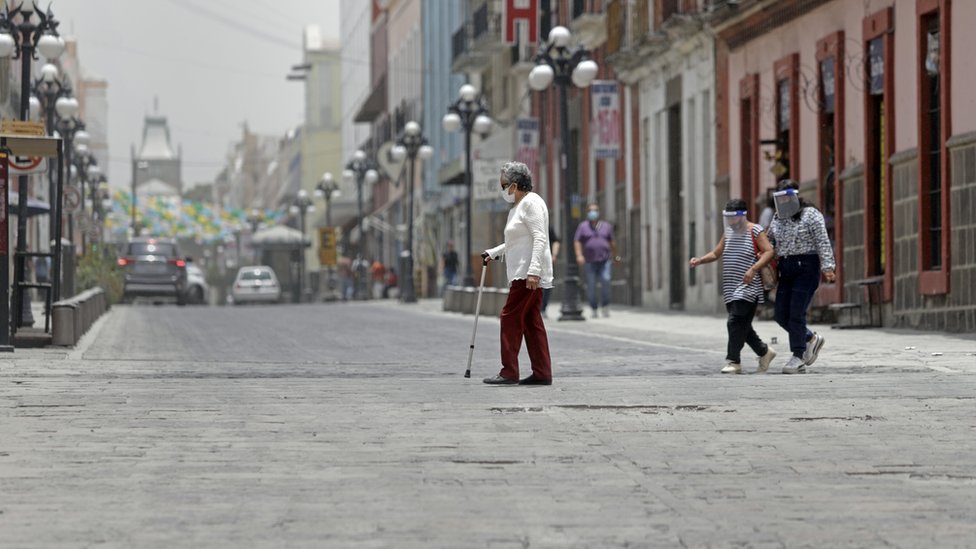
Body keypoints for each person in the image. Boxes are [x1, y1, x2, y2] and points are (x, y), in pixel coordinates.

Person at [482, 161, 554, 386]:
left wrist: (533, 272)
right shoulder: (517, 207)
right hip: (522, 273)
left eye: (504, 185)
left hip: (527, 275)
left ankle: (509, 371)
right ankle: (542, 372)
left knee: (509, 317)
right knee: (532, 322)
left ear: (515, 185)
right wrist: (493, 252)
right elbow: (515, 242)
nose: (503, 190)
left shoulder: (531, 203)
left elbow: (539, 237)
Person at [690, 199, 778, 374]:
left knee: (734, 322)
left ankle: (733, 361)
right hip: (731, 287)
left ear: (742, 215)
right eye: (728, 217)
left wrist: (753, 269)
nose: (730, 221)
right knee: (742, 325)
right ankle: (764, 352)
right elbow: (716, 253)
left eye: (733, 217)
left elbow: (769, 251)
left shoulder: (755, 230)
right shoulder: (728, 232)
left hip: (749, 286)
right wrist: (700, 260)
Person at [766, 179, 836, 374]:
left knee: (796, 313)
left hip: (806, 267)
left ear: (795, 195)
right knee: (781, 314)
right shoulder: (778, 218)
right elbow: (769, 240)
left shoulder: (811, 214)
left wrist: (828, 266)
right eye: (780, 198)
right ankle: (810, 338)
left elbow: (823, 240)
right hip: (786, 268)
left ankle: (798, 356)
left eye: (788, 196)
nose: (785, 201)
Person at [574, 203, 619, 318]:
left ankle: (605, 306)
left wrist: (616, 256)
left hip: (605, 260)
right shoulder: (583, 226)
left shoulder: (606, 226)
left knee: (606, 280)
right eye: (590, 210)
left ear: (599, 212)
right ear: (587, 212)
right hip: (589, 261)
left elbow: (612, 242)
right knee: (591, 285)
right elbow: (577, 241)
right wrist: (579, 255)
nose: (592, 213)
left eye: (595, 210)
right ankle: (594, 308)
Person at [540, 225, 560, 319]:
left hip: (547, 261)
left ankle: (543, 308)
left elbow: (556, 241)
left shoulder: (547, 227)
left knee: (547, 285)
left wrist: (554, 255)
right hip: (534, 261)